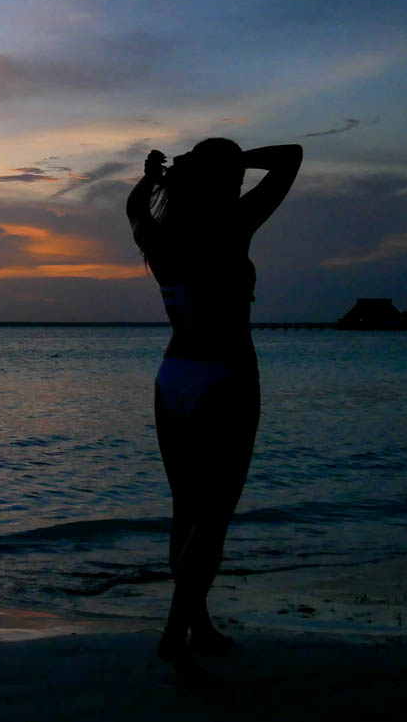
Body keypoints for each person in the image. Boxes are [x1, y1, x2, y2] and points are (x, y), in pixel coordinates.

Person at [126, 138, 302, 675]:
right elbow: (291, 156)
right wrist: (233, 162)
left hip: (173, 375)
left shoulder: (152, 228)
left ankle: (195, 623)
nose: (241, 180)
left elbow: (136, 201)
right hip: (225, 375)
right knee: (215, 515)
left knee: (187, 509)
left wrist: (160, 176)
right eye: (232, 171)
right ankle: (176, 630)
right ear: (221, 178)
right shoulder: (232, 222)